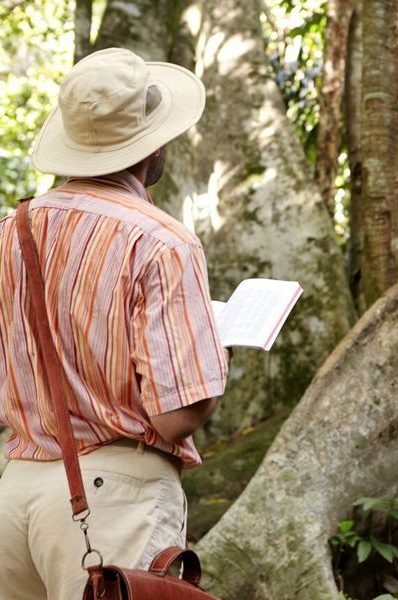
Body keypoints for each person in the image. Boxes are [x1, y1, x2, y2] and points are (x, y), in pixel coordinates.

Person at [0, 47, 229, 599]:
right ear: (150, 145)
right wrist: (216, 349)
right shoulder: (161, 241)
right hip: (113, 496)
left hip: (16, 493)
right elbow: (178, 417)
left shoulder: (11, 230)